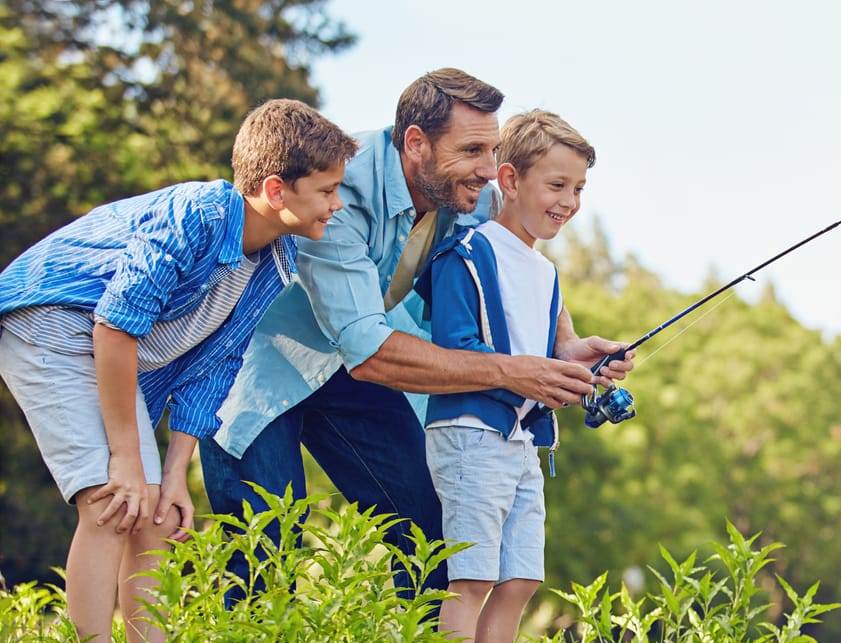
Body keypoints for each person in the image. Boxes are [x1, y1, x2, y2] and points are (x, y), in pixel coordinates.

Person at [201, 69, 634, 597]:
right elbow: (369, 352)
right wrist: (512, 373)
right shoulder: (341, 189)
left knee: (433, 534)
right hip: (257, 365)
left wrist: (562, 342)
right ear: (415, 144)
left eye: (492, 150)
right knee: (264, 548)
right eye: (473, 150)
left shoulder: (467, 189)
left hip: (350, 366)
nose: (488, 170)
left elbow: (515, 251)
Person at [0, 100, 355, 643]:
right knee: (112, 503)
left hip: (111, 352)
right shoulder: (196, 216)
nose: (336, 204)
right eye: (326, 190)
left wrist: (172, 477)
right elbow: (115, 326)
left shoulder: (274, 259)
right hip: (53, 323)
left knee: (159, 516)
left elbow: (213, 369)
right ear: (276, 188)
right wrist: (127, 464)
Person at [415, 110, 596, 643]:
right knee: (471, 578)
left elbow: (543, 356)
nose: (568, 202)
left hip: (523, 442)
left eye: (578, 190)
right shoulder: (466, 254)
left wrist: (584, 364)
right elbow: (458, 350)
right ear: (511, 180)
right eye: (557, 185)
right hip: (470, 433)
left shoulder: (547, 274)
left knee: (519, 579)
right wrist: (530, 380)